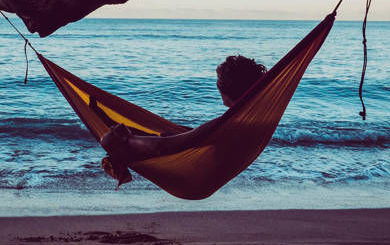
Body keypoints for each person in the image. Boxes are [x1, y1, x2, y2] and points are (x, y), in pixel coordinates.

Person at [100, 55, 266, 185]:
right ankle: (104, 117)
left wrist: (129, 139)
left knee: (109, 139)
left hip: (195, 176)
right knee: (168, 133)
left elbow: (161, 147)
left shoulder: (226, 124)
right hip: (205, 165)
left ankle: (104, 118)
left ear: (223, 87)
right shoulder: (254, 120)